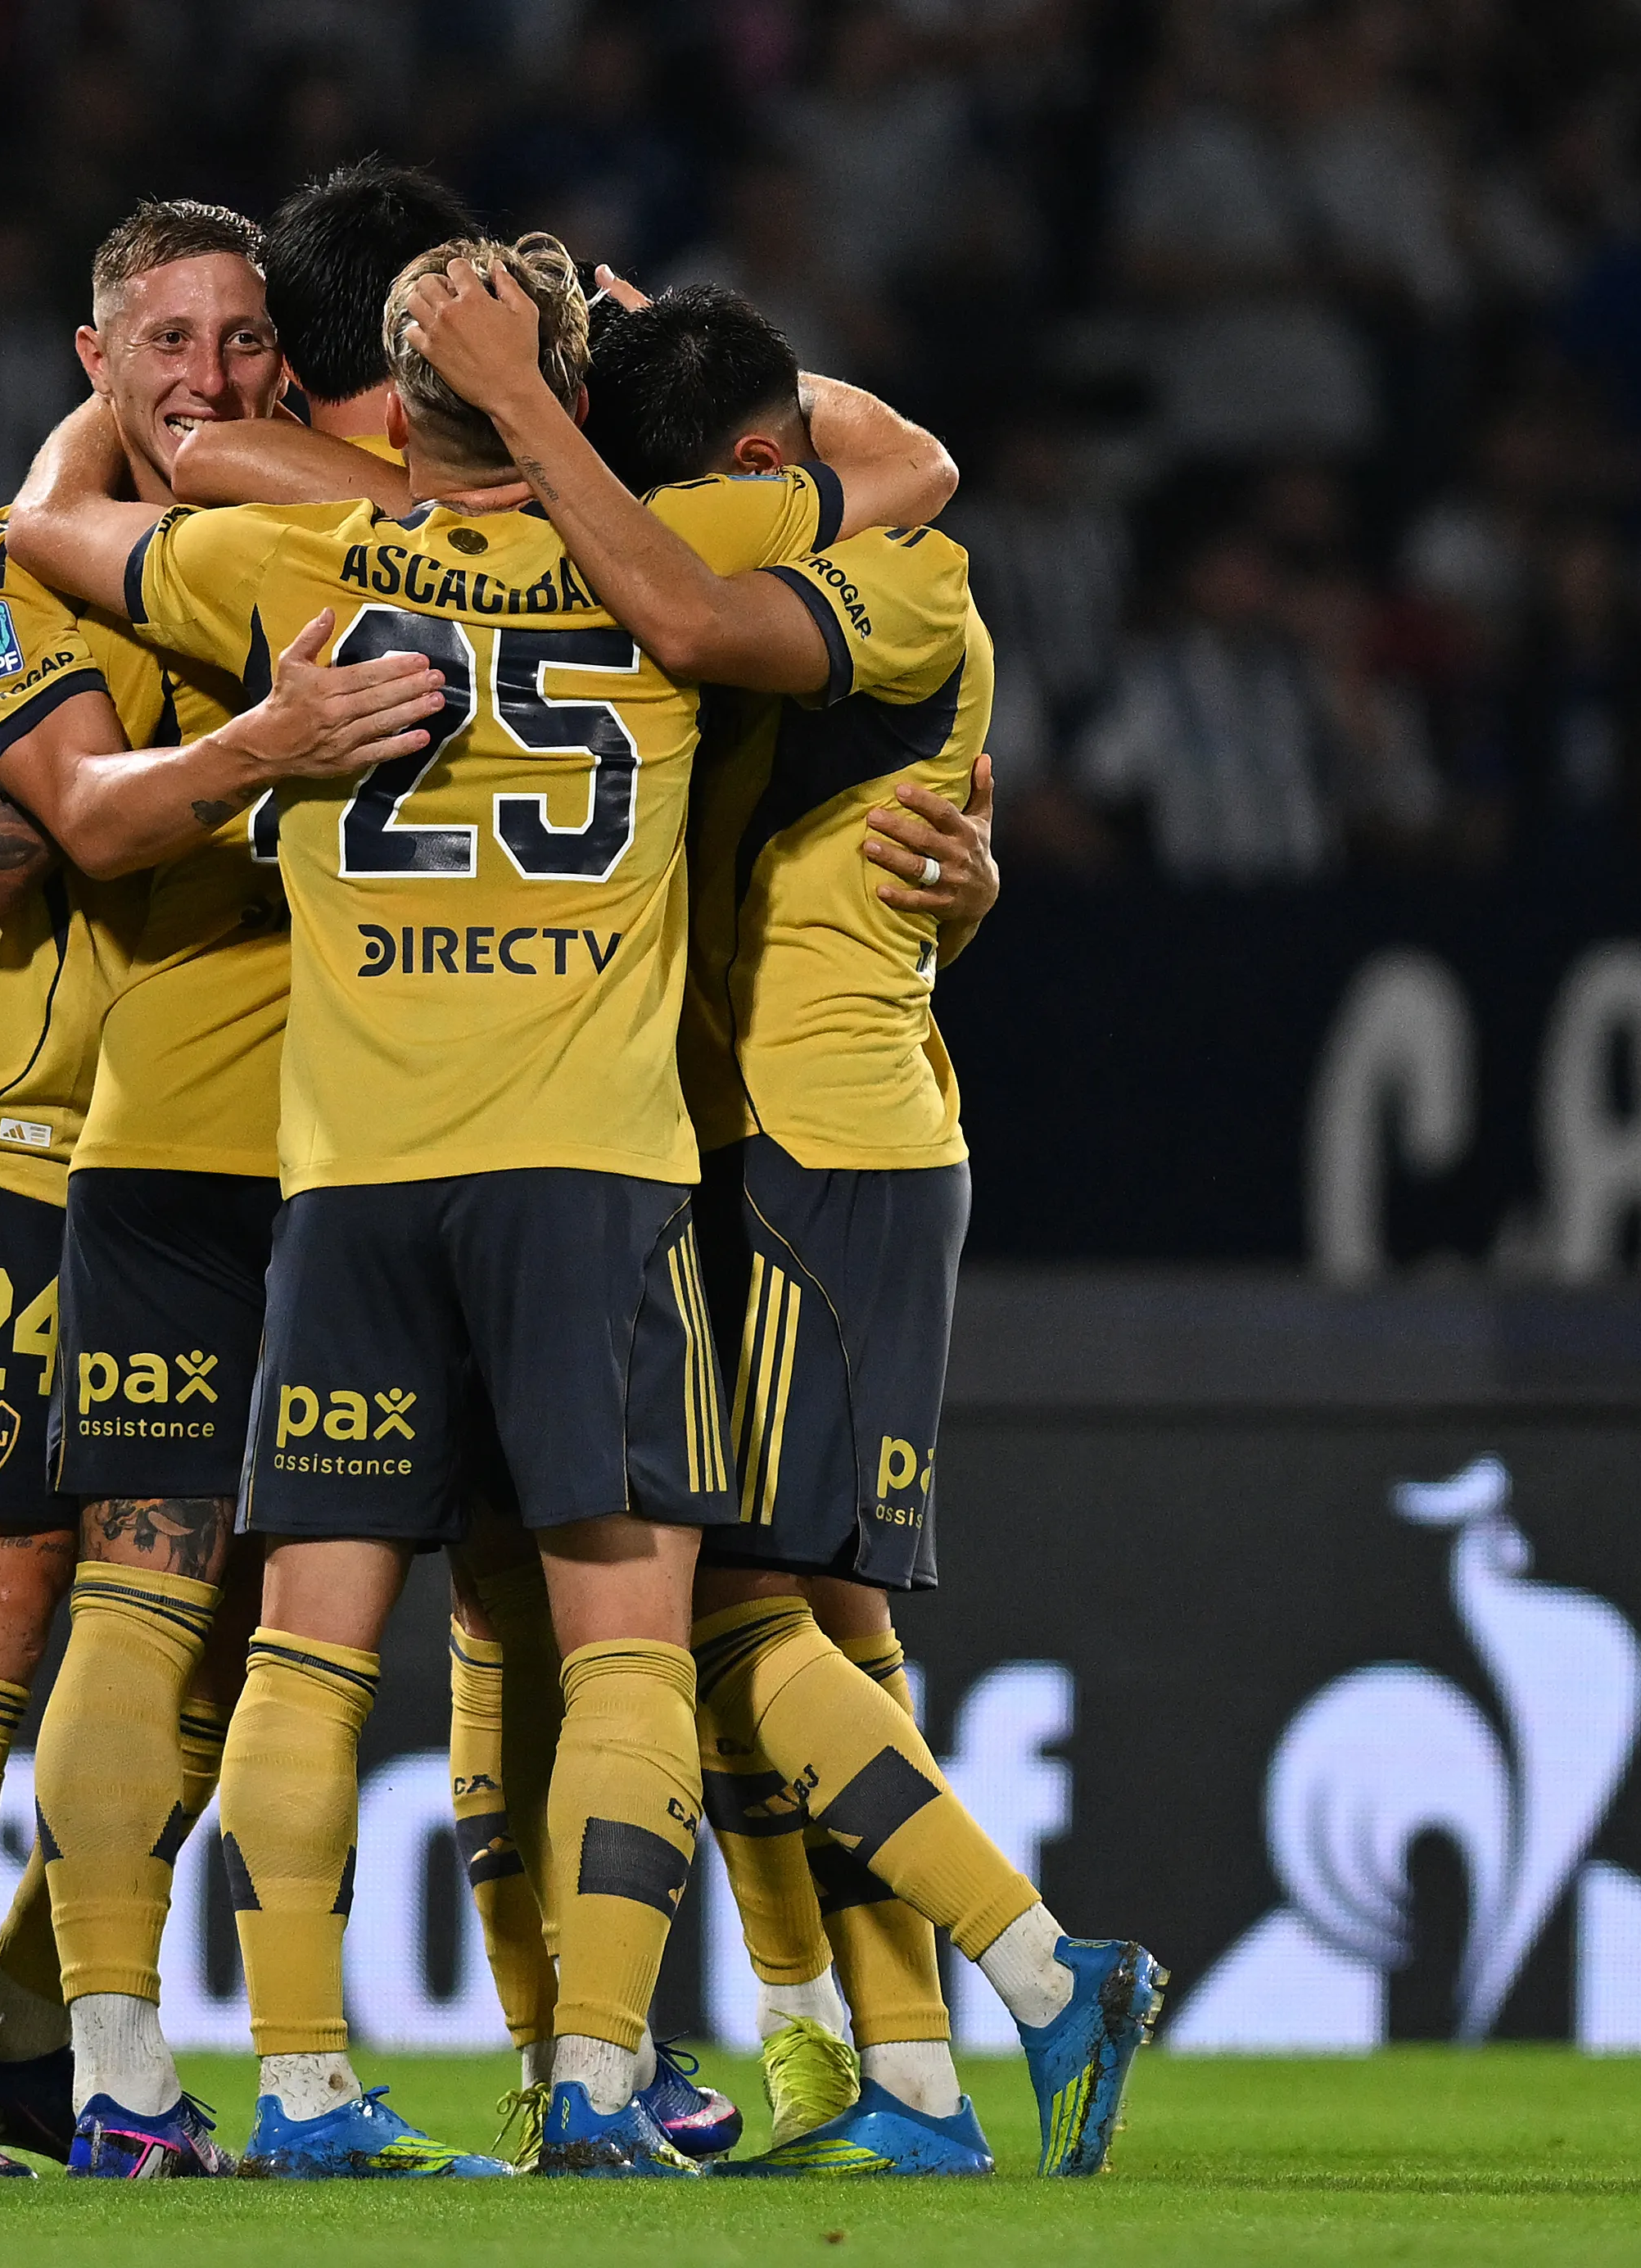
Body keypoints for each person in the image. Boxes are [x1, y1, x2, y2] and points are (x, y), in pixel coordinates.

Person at [2, 230, 942, 2180]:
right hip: (589, 1172)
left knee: (300, 1655)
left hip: (348, 1184)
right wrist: (568, 365)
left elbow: (58, 538)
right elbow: (898, 458)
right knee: (617, 1645)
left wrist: (126, 396)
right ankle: (600, 2075)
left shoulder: (297, 564)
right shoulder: (677, 557)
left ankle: (306, 2081)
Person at [415, 264, 1155, 2180]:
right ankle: (907, 2079)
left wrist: (529, 393)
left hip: (815, 1147)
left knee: (731, 1605)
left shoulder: (885, 570)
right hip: (773, 1128)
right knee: (819, 1605)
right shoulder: (804, 531)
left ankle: (1046, 1965)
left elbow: (719, 561)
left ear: (757, 465)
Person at [0, 198, 444, 2184]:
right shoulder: (8, 570)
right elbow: (61, 822)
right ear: (96, 360)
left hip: (241, 1151)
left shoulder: (269, 539)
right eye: (166, 339)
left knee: (191, 1618)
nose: (211, 373)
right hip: (17, 1138)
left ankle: (56, 2035)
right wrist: (266, 745)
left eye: (244, 337)